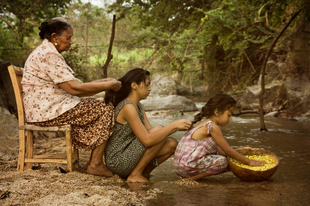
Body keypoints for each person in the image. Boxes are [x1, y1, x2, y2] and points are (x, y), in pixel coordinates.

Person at [21, 17, 122, 177]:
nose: (71, 42)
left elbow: (77, 86)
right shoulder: (48, 55)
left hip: (49, 110)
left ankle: (93, 162)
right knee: (105, 107)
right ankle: (95, 164)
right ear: (54, 37)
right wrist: (108, 85)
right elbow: (75, 89)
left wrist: (105, 82)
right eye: (68, 38)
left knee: (98, 104)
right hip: (47, 114)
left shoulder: (47, 52)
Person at [104, 68, 193, 183]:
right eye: (147, 85)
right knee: (160, 130)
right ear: (134, 85)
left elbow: (150, 131)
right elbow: (147, 140)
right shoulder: (128, 107)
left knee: (171, 144)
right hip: (118, 161)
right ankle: (135, 175)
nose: (150, 89)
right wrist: (173, 126)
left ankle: (143, 173)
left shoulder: (138, 106)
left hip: (129, 155)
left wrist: (172, 128)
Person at [174, 93, 266, 181]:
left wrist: (239, 150)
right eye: (228, 115)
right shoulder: (212, 126)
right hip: (187, 166)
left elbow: (218, 151)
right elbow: (228, 151)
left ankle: (192, 175)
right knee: (224, 162)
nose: (230, 119)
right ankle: (192, 178)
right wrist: (250, 161)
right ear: (217, 112)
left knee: (227, 157)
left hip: (181, 167)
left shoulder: (204, 124)